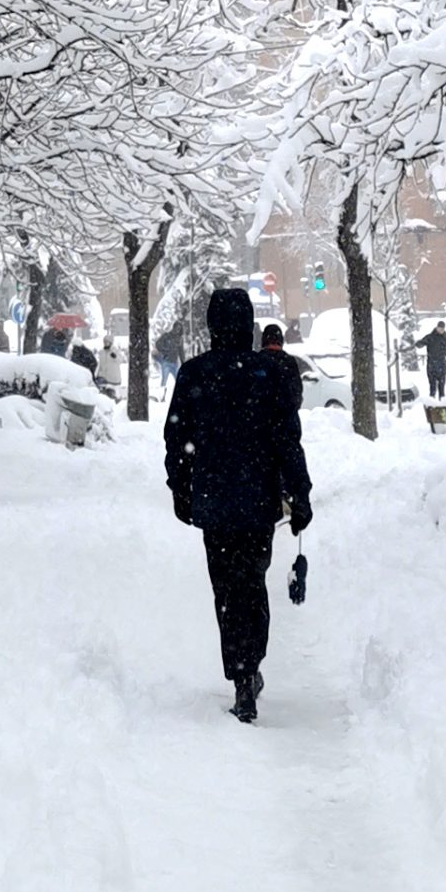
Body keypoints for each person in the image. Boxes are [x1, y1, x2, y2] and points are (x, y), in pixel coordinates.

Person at [165, 288, 312, 725]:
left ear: (211, 326)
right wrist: (299, 492)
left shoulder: (195, 374)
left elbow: (177, 439)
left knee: (225, 589)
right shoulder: (268, 374)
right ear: (248, 325)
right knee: (253, 582)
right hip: (258, 501)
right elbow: (288, 439)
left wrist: (181, 487)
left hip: (214, 501)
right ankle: (253, 666)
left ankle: (240, 675)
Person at [422, 320, 446, 399]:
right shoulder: (430, 337)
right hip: (431, 366)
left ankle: (441, 407)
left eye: (442, 329)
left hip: (442, 366)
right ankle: (431, 407)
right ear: (436, 327)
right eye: (439, 328)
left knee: (442, 390)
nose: (441, 330)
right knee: (432, 389)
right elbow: (420, 344)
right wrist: (419, 343)